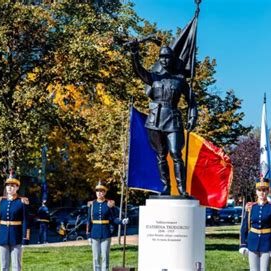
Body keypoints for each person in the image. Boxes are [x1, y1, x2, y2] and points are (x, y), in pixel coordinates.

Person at [130, 43, 198, 196]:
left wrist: (193, 116)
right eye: (162, 57)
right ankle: (165, 186)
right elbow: (138, 71)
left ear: (172, 59)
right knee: (161, 155)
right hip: (155, 120)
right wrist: (134, 54)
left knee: (175, 153)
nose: (164, 60)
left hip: (173, 119)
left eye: (167, 57)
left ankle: (181, 188)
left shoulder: (180, 79)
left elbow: (191, 100)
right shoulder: (153, 77)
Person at [0, 172, 30, 271]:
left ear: (17, 188)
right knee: (3, 266)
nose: (9, 188)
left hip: (16, 236)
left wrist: (25, 238)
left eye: (12, 186)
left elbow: (25, 221)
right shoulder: (0, 201)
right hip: (2, 236)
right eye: (7, 186)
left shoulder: (22, 202)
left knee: (16, 266)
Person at [239, 177, 271, 271]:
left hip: (267, 243)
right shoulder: (251, 207)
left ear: (268, 191)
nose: (262, 192)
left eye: (264, 190)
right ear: (256, 191)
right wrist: (242, 244)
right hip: (252, 243)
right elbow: (244, 227)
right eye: (259, 190)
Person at [86, 181, 129, 271]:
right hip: (94, 233)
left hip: (106, 233)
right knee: (96, 257)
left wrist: (122, 221)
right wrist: (88, 235)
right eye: (97, 191)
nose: (99, 193)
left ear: (105, 192)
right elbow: (89, 220)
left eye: (101, 191)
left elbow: (113, 218)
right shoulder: (92, 204)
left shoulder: (109, 204)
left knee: (105, 256)